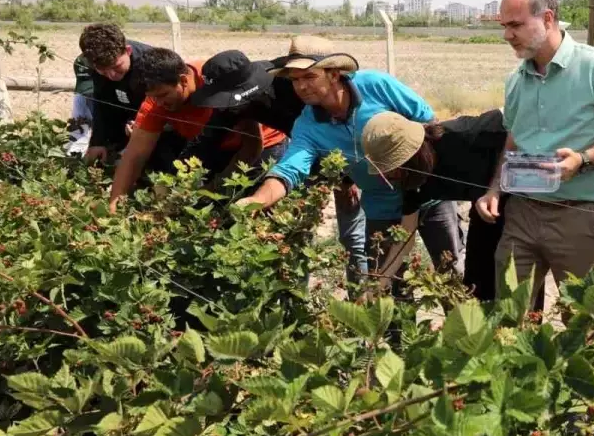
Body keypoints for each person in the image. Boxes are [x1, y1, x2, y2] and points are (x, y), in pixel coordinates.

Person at [475, 0, 594, 299]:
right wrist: (495, 187)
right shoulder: (516, 80)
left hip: (579, 216)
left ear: (548, 19)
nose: (507, 35)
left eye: (516, 25)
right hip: (522, 213)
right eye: (504, 26)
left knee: (587, 321)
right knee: (509, 316)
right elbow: (514, 138)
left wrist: (582, 160)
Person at [235, 45, 461, 281]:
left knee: (451, 273)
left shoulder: (377, 85)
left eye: (310, 76)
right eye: (295, 80)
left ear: (334, 74)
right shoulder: (307, 125)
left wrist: (420, 174)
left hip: (430, 196)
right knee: (387, 284)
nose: (301, 87)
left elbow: (430, 124)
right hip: (381, 206)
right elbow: (289, 170)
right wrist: (256, 201)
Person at [360, 109, 543, 306]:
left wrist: (497, 186)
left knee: (518, 285)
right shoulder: (410, 178)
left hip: (523, 198)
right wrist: (379, 283)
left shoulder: (462, 135)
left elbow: (513, 123)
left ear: (411, 154)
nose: (389, 176)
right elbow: (406, 235)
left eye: (393, 167)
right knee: (477, 291)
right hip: (485, 208)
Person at [106, 48, 285, 213]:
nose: (158, 103)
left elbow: (252, 147)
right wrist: (114, 205)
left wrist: (213, 187)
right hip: (212, 144)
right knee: (183, 198)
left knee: (230, 205)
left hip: (263, 144)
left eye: (162, 96)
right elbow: (135, 153)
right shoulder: (157, 97)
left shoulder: (219, 86)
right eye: (152, 97)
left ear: (184, 80)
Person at [182, 50, 303, 179]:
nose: (223, 106)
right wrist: (177, 175)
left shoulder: (290, 80)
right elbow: (206, 141)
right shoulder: (231, 107)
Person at [72, 23, 169, 165]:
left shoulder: (150, 65)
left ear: (128, 51)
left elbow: (167, 104)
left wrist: (143, 121)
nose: (111, 75)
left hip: (160, 125)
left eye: (116, 67)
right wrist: (98, 141)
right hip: (124, 117)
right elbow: (102, 102)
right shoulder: (97, 64)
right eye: (103, 71)